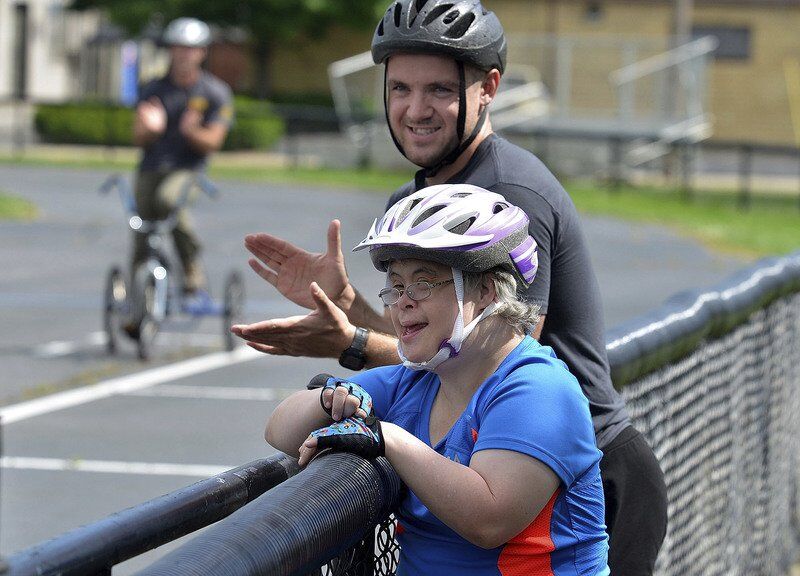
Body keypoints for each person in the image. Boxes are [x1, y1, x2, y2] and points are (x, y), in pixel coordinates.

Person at [233, 1, 667, 573]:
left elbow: (494, 342)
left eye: (438, 89)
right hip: (467, 454)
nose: (415, 109)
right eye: (399, 88)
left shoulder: (509, 197)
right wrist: (350, 309)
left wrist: (355, 348)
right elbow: (431, 336)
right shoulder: (418, 204)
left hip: (555, 469)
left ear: (488, 87)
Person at [265, 184, 610, 575]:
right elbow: (279, 429)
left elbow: (489, 519)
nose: (402, 301)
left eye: (423, 284)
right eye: (395, 287)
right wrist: (328, 401)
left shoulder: (539, 389)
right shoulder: (414, 380)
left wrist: (386, 437)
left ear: (485, 290)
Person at [132, 17, 233, 313]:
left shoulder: (214, 92)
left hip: (187, 169)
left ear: (202, 52)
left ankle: (191, 267)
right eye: (178, 48)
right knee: (141, 227)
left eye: (190, 48)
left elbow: (214, 141)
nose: (183, 54)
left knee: (168, 203)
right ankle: (137, 304)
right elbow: (138, 136)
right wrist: (150, 129)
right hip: (151, 167)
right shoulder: (153, 88)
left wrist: (192, 132)